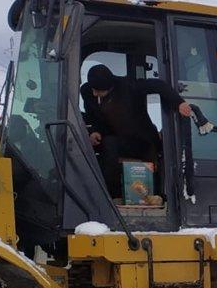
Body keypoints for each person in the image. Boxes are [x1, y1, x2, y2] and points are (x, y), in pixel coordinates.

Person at [80, 64, 192, 197]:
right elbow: (94, 118)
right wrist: (94, 131)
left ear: (109, 86)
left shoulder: (129, 86)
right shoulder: (88, 92)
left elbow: (159, 86)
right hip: (114, 138)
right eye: (93, 89)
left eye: (98, 90)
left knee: (109, 144)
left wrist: (179, 103)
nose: (94, 93)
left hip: (140, 141)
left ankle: (112, 196)